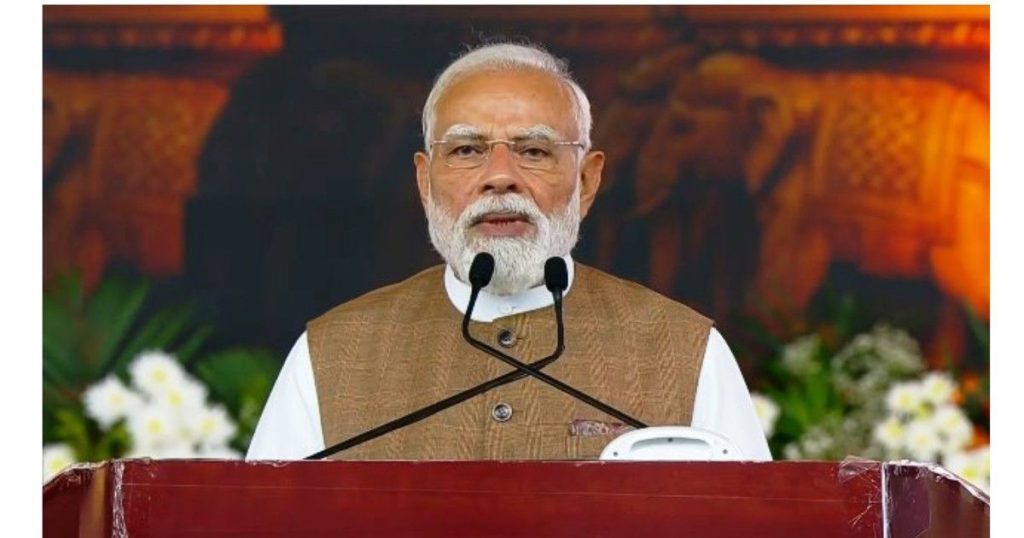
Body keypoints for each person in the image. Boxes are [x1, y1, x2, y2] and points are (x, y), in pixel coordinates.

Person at [246, 42, 771, 461]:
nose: (500, 177)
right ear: (425, 183)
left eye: (535, 151)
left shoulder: (684, 349)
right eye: (467, 150)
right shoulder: (333, 353)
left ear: (587, 182)